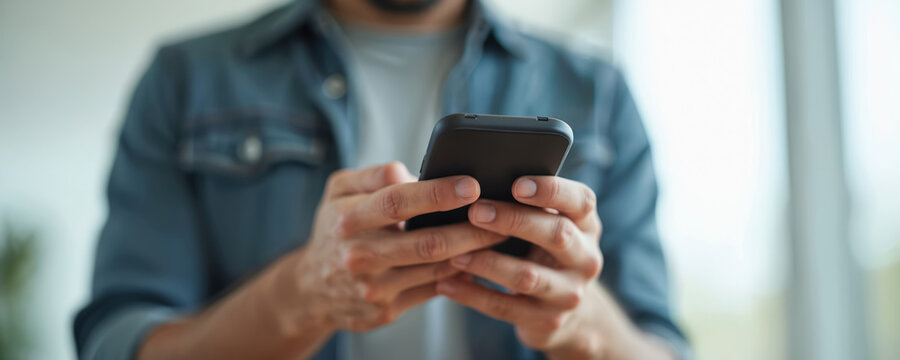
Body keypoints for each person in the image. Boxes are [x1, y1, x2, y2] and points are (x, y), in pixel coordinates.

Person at [73, 0, 691, 359]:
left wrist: (582, 325)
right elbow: (117, 342)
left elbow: (659, 346)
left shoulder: (598, 92)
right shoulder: (186, 79)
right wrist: (300, 295)